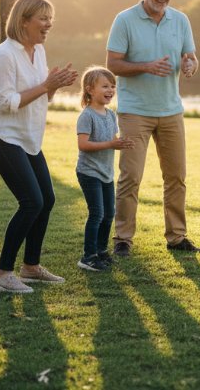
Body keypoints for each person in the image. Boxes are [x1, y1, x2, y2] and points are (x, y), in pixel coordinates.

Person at [0, 0, 78, 293]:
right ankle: (2, 273)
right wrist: (45, 86)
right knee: (31, 201)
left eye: (51, 18)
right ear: (24, 21)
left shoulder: (38, 51)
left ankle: (31, 267)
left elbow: (40, 97)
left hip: (27, 137)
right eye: (43, 18)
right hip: (3, 136)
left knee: (46, 199)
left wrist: (53, 87)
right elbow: (8, 103)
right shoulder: (4, 55)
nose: (49, 24)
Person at [106, 0, 200, 256]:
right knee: (130, 176)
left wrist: (190, 65)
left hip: (171, 110)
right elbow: (112, 64)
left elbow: (191, 57)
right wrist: (146, 66)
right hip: (135, 111)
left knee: (176, 176)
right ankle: (123, 238)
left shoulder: (180, 20)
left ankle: (177, 237)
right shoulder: (124, 21)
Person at [75, 67, 133, 271]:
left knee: (109, 213)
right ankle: (88, 256)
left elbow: (111, 140)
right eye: (105, 86)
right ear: (90, 89)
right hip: (89, 172)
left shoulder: (110, 115)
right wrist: (111, 145)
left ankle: (101, 251)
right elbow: (83, 145)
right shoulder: (87, 116)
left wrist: (120, 142)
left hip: (106, 173)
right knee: (97, 213)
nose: (110, 90)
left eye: (113, 86)